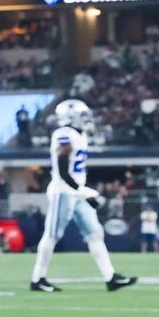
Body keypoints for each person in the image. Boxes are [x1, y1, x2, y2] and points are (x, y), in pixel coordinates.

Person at [30, 99, 137, 293]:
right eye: (83, 115)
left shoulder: (80, 135)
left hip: (76, 191)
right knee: (52, 235)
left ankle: (110, 277)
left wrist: (82, 191)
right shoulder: (64, 134)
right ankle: (38, 278)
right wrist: (84, 191)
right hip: (63, 190)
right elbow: (63, 170)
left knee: (95, 233)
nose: (87, 119)